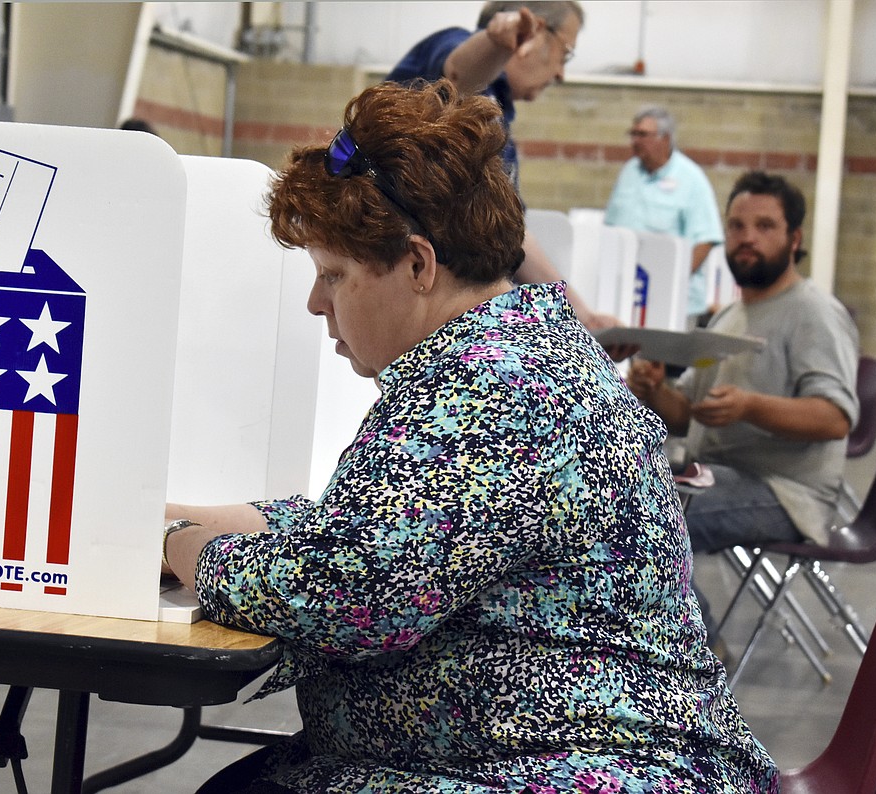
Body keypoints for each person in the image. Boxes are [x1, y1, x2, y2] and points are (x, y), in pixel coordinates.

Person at [163, 79, 778, 792]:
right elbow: (381, 533)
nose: (315, 302)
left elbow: (355, 595)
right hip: (534, 758)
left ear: (420, 265)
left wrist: (185, 545)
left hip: (577, 773)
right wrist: (214, 520)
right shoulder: (514, 356)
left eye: (333, 275)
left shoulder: (495, 390)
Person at [627, 170, 859, 636]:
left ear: (794, 238)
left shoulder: (813, 312)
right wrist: (654, 392)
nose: (747, 237)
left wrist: (749, 406)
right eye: (736, 226)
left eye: (764, 226)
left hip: (784, 492)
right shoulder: (731, 316)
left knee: (646, 527)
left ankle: (698, 655)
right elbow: (686, 414)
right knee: (623, 508)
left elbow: (835, 418)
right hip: (717, 474)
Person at [386, 2, 620, 332]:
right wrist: (496, 42)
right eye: (564, 54)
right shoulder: (452, 43)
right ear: (535, 32)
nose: (560, 74)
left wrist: (582, 316)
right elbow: (457, 76)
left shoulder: (497, 110)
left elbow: (513, 234)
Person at [604, 106, 724, 325]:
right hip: (629, 299)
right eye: (633, 134)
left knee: (667, 359)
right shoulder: (629, 172)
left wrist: (670, 286)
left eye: (642, 135)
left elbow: (705, 240)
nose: (635, 141)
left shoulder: (691, 179)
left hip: (676, 305)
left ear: (665, 139)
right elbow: (611, 229)